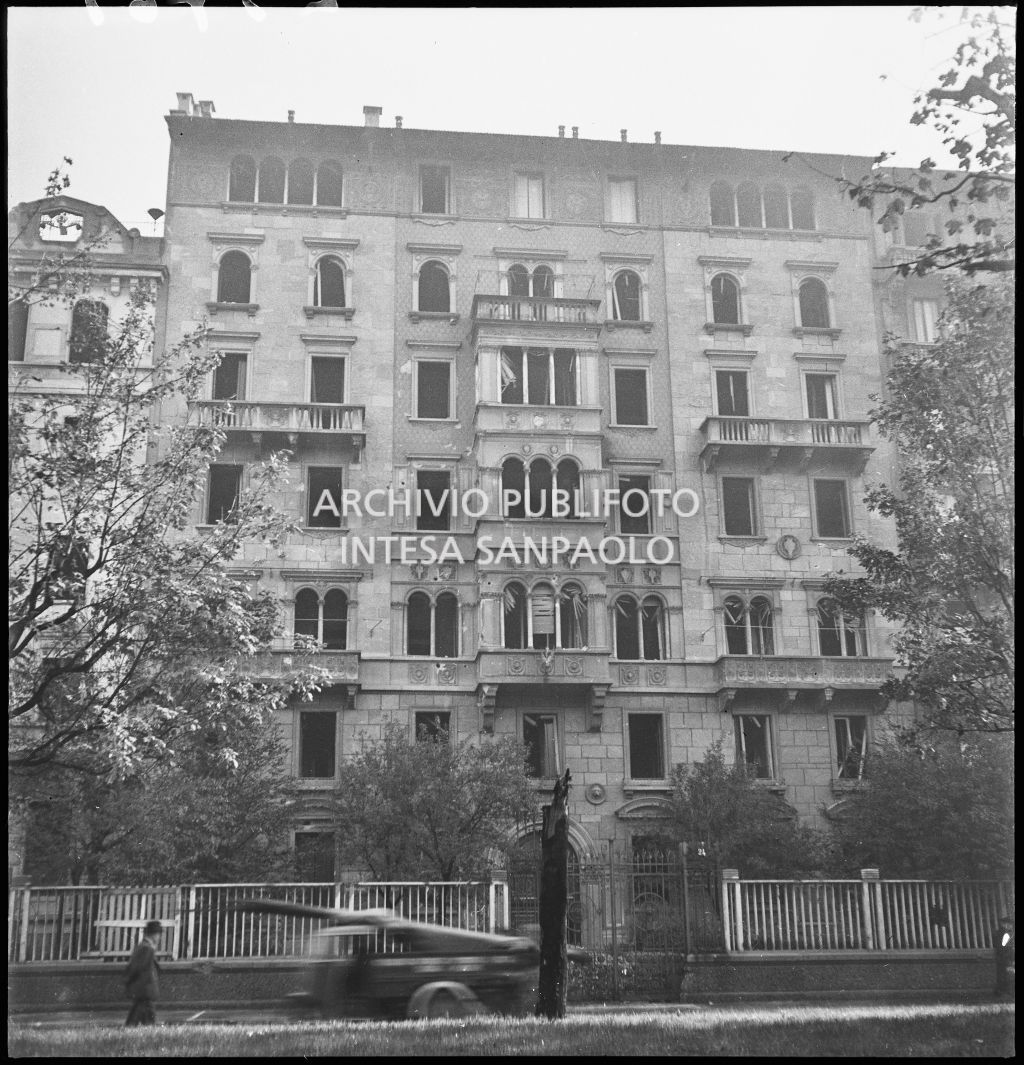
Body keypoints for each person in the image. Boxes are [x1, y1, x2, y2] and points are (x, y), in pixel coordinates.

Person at [125, 919, 163, 1026]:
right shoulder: (147, 949)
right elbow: (142, 970)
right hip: (145, 992)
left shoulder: (142, 947)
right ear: (154, 934)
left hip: (142, 993)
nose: (159, 937)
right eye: (158, 934)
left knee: (135, 1021)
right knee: (147, 1022)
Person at [994, 915, 1014, 999]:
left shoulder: (1004, 933)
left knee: (1004, 974)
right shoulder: (1004, 934)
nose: (1009, 926)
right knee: (1006, 975)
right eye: (1008, 924)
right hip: (1005, 957)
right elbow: (1003, 947)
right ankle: (1004, 992)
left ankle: (1003, 991)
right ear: (1003, 924)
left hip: (1005, 957)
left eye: (1010, 924)